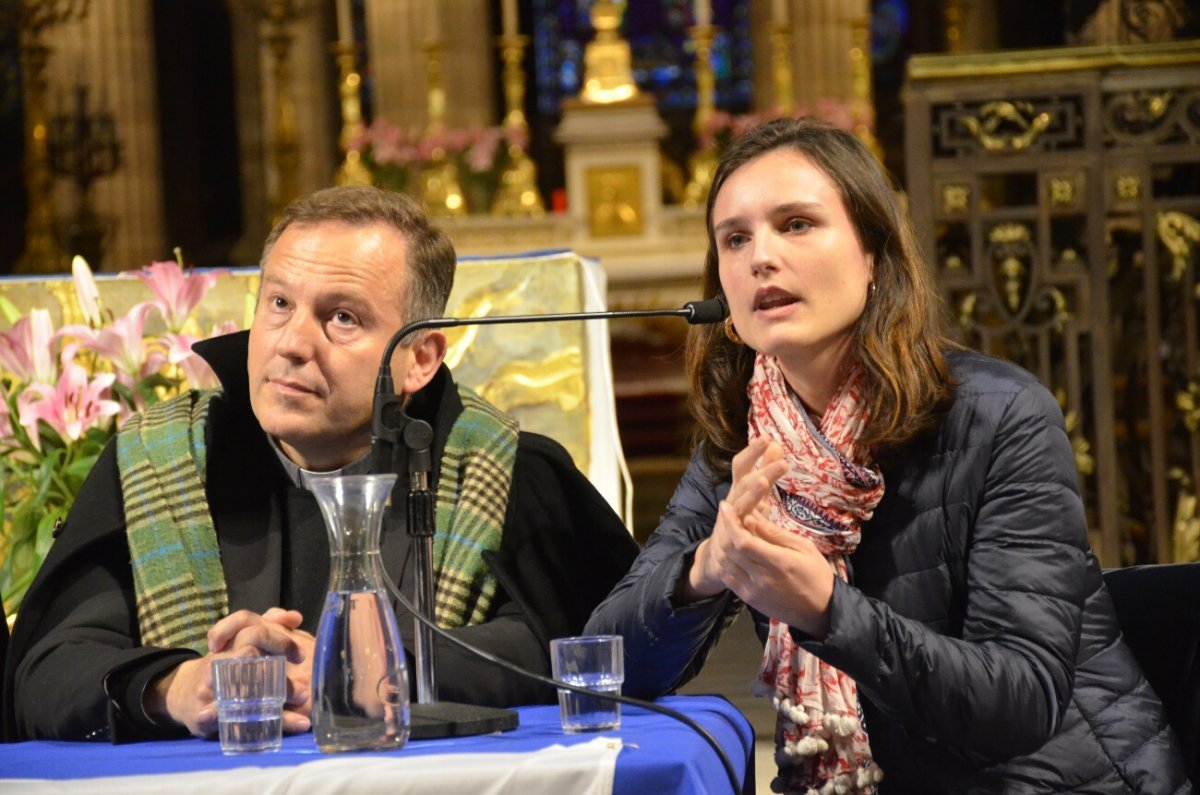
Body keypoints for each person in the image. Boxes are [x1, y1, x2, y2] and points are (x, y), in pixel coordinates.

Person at [585, 119, 1191, 793]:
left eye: (796, 224)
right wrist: (700, 571)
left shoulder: (1002, 416)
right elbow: (605, 665)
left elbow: (1020, 705)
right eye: (735, 238)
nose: (760, 257)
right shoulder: (741, 440)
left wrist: (828, 611)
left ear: (874, 256)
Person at [3, 186, 638, 742]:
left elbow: (572, 646)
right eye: (278, 304)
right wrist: (177, 687)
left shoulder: (504, 470)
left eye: (341, 317)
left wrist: (364, 668)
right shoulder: (157, 462)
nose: (292, 344)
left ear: (419, 357)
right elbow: (48, 669)